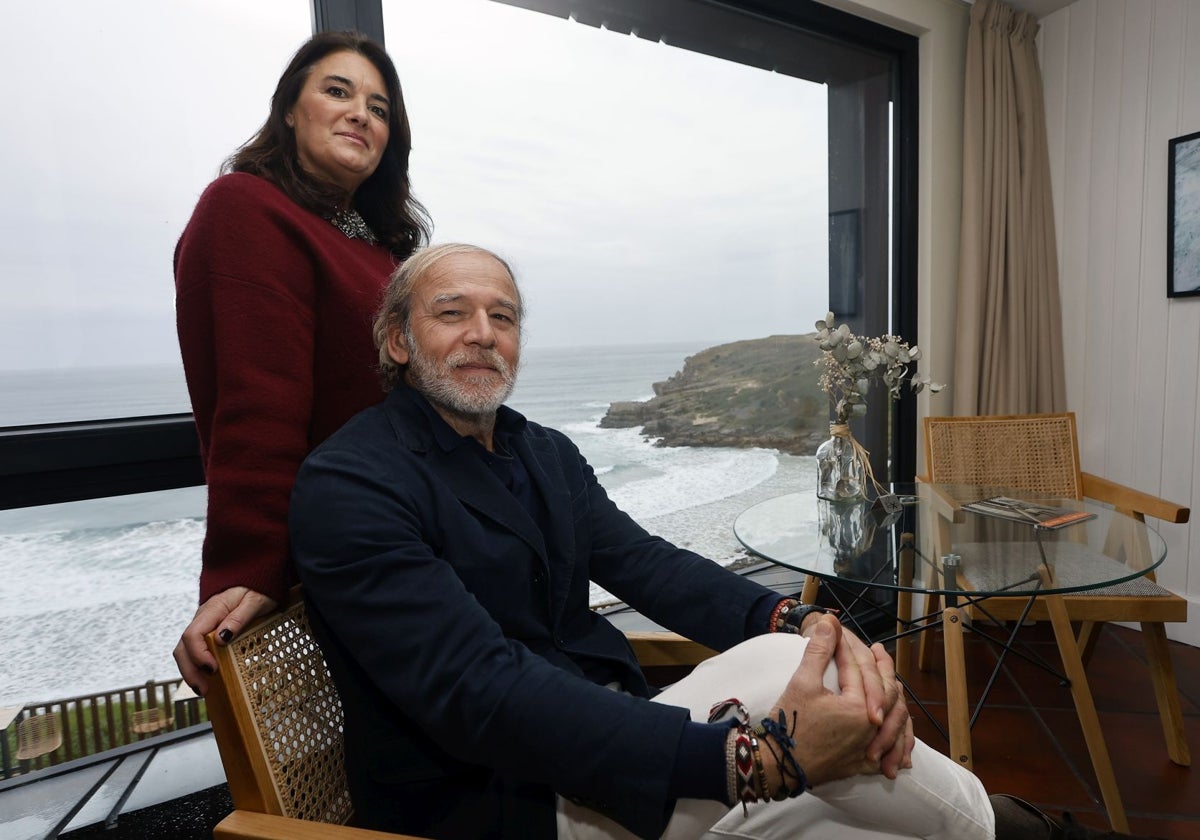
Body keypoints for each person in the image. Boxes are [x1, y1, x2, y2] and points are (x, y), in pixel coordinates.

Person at [288, 243, 1000, 840]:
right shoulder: (351, 484)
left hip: (612, 731)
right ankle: (998, 823)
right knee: (813, 689)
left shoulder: (541, 452)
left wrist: (796, 616)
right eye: (452, 313)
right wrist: (747, 760)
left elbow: (644, 563)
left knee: (847, 777)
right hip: (505, 798)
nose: (483, 333)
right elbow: (482, 691)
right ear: (396, 339)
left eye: (502, 317)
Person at [172, 30, 430, 695]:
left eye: (379, 108)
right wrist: (247, 563)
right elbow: (259, 396)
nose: (360, 115)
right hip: (363, 550)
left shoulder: (379, 250)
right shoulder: (247, 208)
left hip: (417, 527)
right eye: (337, 91)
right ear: (289, 108)